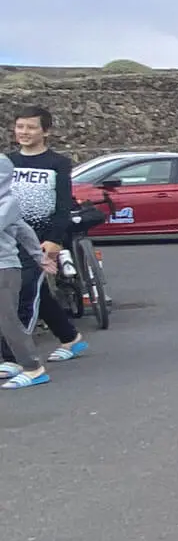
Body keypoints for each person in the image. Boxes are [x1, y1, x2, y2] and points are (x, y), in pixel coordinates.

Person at [8, 106, 86, 362]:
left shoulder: (58, 163)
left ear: (45, 131)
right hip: (10, 238)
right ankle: (70, 338)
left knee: (25, 293)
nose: (24, 132)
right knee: (36, 293)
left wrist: (54, 240)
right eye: (20, 126)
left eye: (31, 127)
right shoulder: (8, 162)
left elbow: (63, 206)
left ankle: (14, 357)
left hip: (40, 240)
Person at [0, 157, 56, 389]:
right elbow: (25, 231)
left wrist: (37, 257)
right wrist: (38, 256)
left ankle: (33, 368)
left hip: (4, 268)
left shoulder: (8, 202)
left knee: (8, 321)